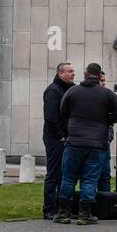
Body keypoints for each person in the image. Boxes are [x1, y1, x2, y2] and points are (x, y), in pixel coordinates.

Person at [55, 62, 117, 225]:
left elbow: (62, 112)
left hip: (74, 143)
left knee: (69, 178)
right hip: (97, 145)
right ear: (100, 75)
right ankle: (85, 214)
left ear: (86, 74)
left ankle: (63, 213)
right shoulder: (106, 94)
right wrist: (106, 120)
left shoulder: (72, 91)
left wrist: (68, 131)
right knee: (89, 180)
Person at [41, 61, 75, 219]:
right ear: (60, 73)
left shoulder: (69, 89)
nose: (72, 73)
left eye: (73, 71)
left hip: (65, 137)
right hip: (55, 138)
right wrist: (61, 135)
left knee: (65, 174)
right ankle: (49, 209)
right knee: (54, 174)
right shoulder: (53, 91)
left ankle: (62, 208)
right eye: (69, 71)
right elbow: (50, 117)